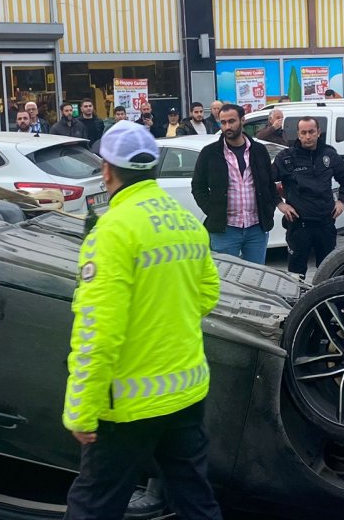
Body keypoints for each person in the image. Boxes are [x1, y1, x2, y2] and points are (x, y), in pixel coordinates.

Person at [62, 121, 223, 520]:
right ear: (153, 168)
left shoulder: (111, 231)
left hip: (127, 405)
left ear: (106, 170)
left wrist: (81, 408)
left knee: (93, 506)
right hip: (185, 392)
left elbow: (98, 329)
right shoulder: (184, 221)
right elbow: (207, 294)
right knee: (194, 499)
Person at [192, 104, 280, 265]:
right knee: (227, 280)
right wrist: (212, 210)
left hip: (256, 227)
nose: (227, 126)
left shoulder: (258, 150)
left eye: (231, 121)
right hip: (225, 229)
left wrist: (270, 208)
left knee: (255, 278)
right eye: (223, 122)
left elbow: (268, 183)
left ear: (242, 120)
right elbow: (198, 186)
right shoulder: (210, 153)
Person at [274, 117, 344, 280]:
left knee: (329, 269)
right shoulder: (286, 157)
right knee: (296, 273)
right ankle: (296, 303)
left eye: (311, 132)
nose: (308, 136)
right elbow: (266, 183)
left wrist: (342, 201)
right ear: (298, 134)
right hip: (299, 224)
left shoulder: (329, 154)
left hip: (325, 222)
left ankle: (328, 302)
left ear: (318, 132)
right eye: (303, 133)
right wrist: (279, 204)